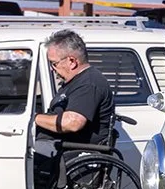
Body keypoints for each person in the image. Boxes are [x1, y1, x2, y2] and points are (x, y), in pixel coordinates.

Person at [34, 28, 116, 158]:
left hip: (72, 150)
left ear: (72, 61)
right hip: (57, 144)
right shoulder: (75, 82)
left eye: (54, 63)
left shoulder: (89, 84)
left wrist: (33, 118)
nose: (51, 69)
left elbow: (72, 123)